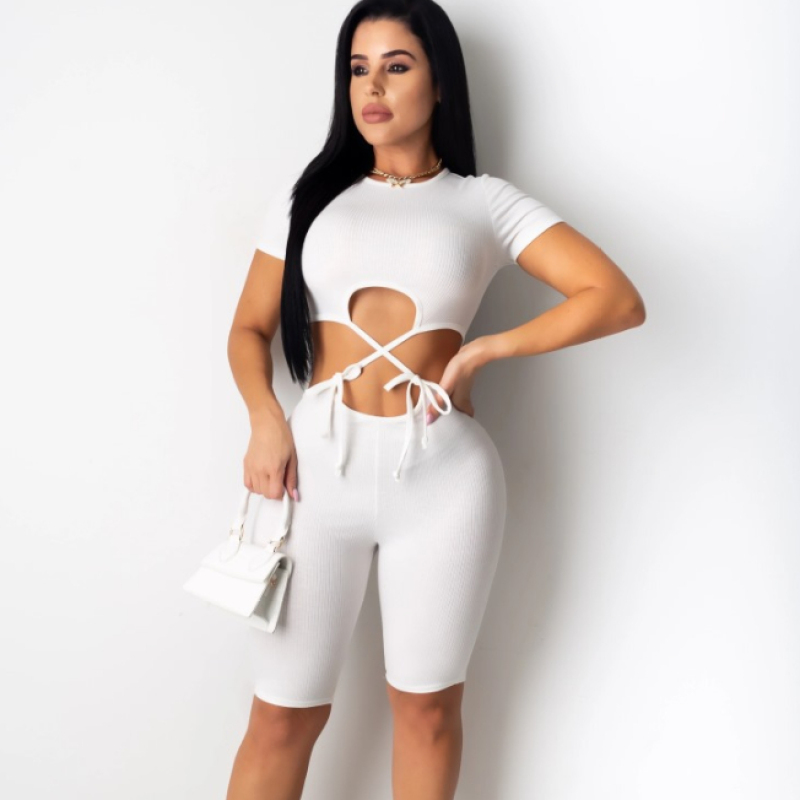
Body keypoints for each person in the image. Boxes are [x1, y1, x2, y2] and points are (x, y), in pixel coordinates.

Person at [224, 1, 645, 798]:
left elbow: (616, 298)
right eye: (358, 69)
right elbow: (248, 330)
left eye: (397, 65)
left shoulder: (484, 202)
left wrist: (487, 348)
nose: (372, 86)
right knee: (281, 716)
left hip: (445, 480)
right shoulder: (309, 198)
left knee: (426, 711)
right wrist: (264, 421)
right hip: (312, 478)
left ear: (441, 82)